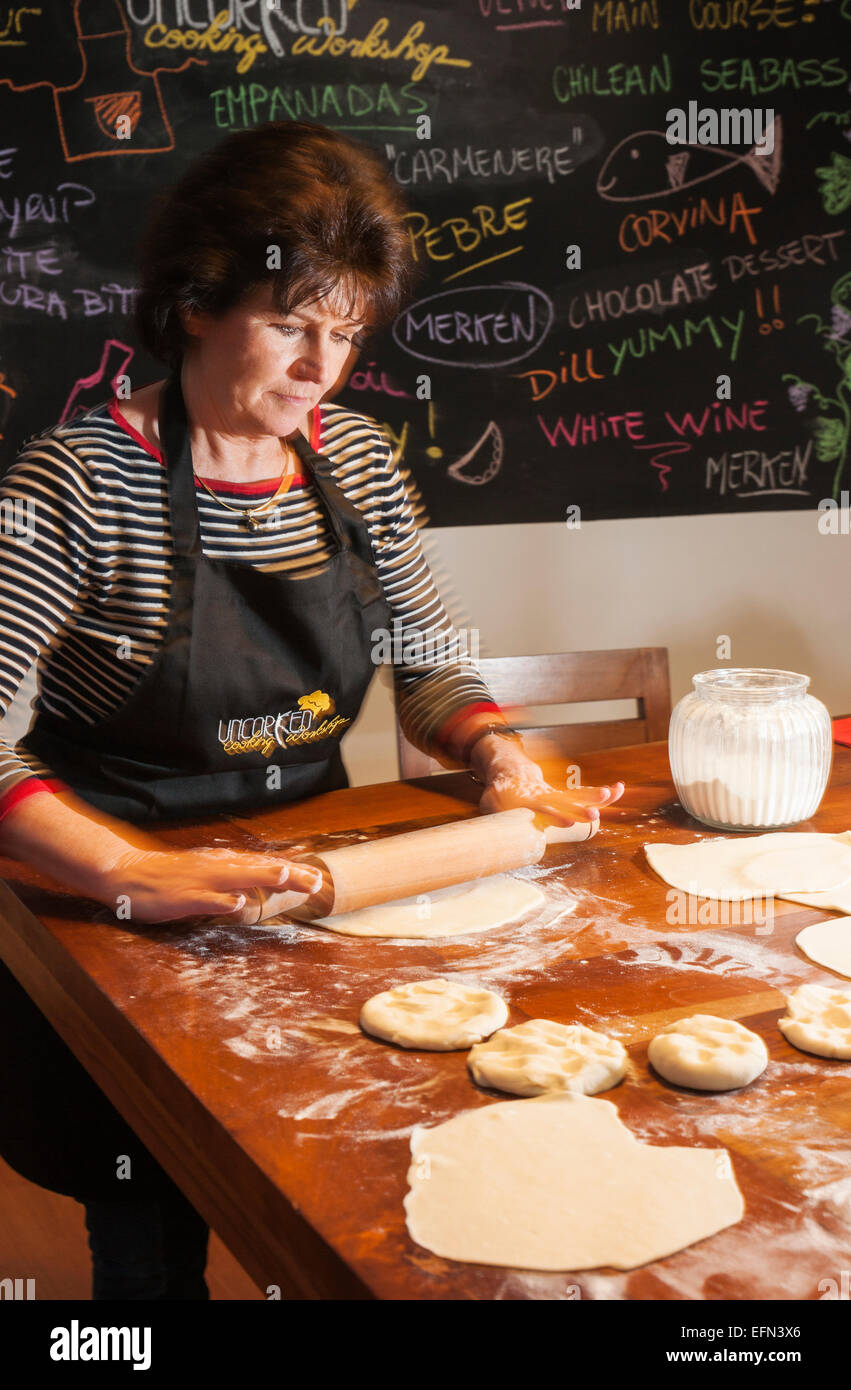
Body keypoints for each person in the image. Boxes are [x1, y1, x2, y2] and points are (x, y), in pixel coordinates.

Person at [0, 121, 623, 1298]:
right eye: (288, 322)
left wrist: (497, 751)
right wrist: (136, 871)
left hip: (306, 884)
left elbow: (429, 662)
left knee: (335, 1174)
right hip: (117, 896)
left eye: (343, 336)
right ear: (196, 304)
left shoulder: (358, 464)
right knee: (151, 1219)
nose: (317, 369)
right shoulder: (80, 481)